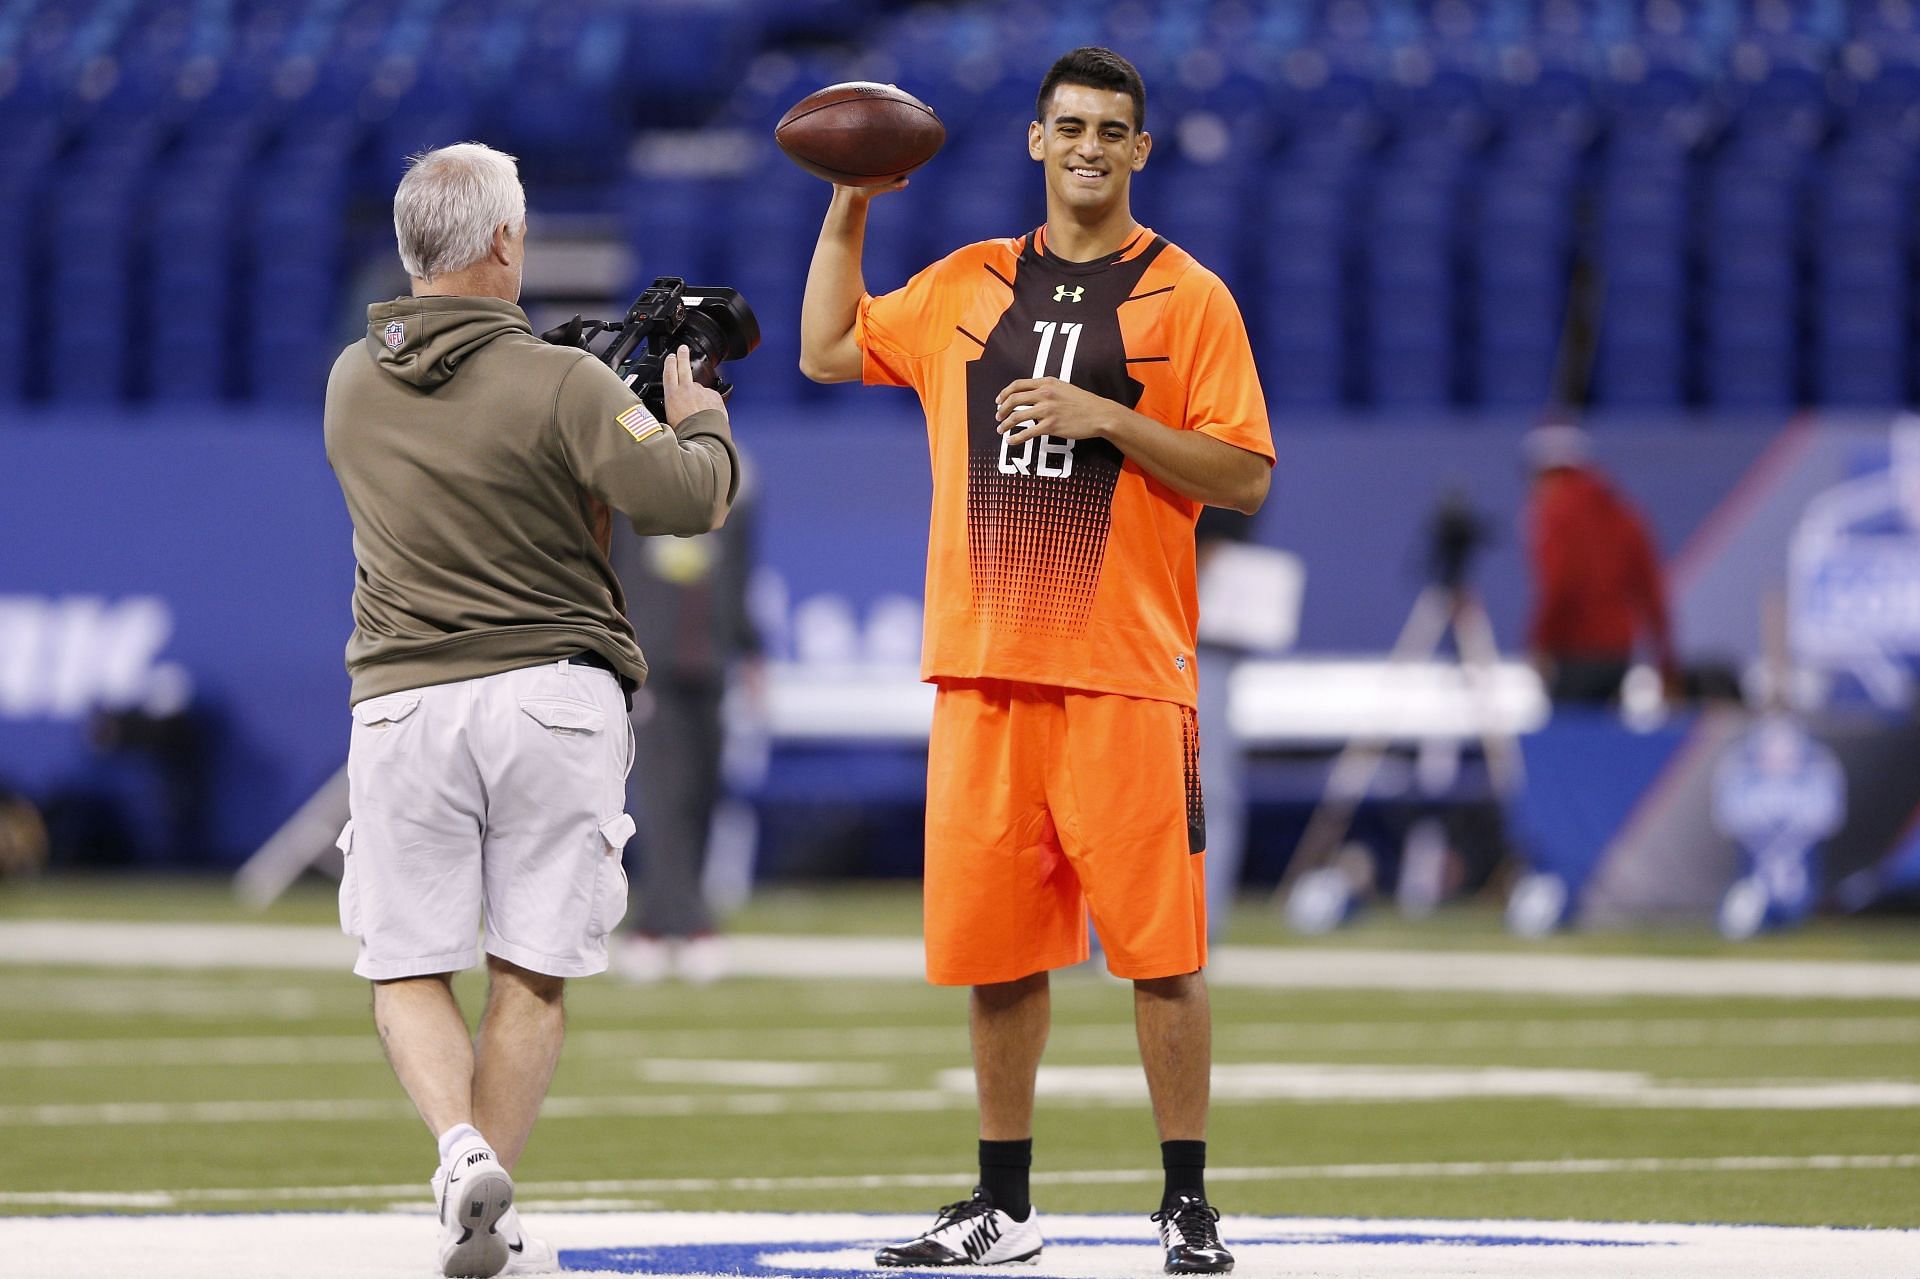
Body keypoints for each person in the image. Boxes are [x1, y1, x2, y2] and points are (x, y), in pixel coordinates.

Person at [799, 47, 1273, 1275]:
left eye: (1113, 130)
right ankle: (1002, 1203)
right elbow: (827, 346)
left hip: (1127, 672)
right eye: (1070, 126)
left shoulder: (1191, 297)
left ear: (1141, 151)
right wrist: (850, 196)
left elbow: (1248, 472)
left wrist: (1108, 417)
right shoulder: (966, 283)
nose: (1090, 147)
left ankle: (1186, 1202)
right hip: (985, 668)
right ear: (1035, 141)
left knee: (1162, 956)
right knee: (1000, 956)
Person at [324, 142, 738, 1278]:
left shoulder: (349, 379)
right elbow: (685, 500)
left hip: (404, 698)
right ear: (506, 243)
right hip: (551, 692)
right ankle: (488, 1193)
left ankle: (463, 1160)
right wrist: (695, 412)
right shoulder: (567, 383)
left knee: (406, 963)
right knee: (530, 970)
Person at [607, 469, 763, 983]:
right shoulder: (634, 493)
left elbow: (738, 581)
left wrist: (751, 649)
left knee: (700, 796)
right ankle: (688, 925)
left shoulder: (735, 492)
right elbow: (618, 576)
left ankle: (654, 925)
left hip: (710, 665)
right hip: (654, 665)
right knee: (664, 796)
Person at [1523, 424, 1676, 704]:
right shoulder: (1623, 511)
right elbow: (1650, 592)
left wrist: (1541, 643)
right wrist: (1666, 662)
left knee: (1566, 742)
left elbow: (1559, 585)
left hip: (1574, 652)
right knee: (1606, 740)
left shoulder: (1553, 511)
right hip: (1618, 653)